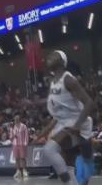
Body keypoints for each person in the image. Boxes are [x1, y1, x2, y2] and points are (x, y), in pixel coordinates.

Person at [35, 50, 95, 185]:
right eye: (49, 54)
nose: (49, 56)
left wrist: (77, 125)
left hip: (77, 122)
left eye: (54, 55)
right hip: (64, 122)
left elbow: (89, 103)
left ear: (62, 62)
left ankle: (70, 182)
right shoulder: (53, 82)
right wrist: (41, 133)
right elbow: (57, 115)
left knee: (50, 150)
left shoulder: (68, 79)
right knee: (70, 164)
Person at [11, 114, 29, 179]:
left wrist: (25, 143)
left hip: (22, 144)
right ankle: (18, 171)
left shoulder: (24, 126)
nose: (16, 120)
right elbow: (11, 137)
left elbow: (26, 135)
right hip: (15, 144)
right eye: (15, 119)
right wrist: (13, 136)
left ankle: (24, 171)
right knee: (16, 158)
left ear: (19, 119)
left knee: (22, 158)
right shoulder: (13, 127)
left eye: (17, 119)